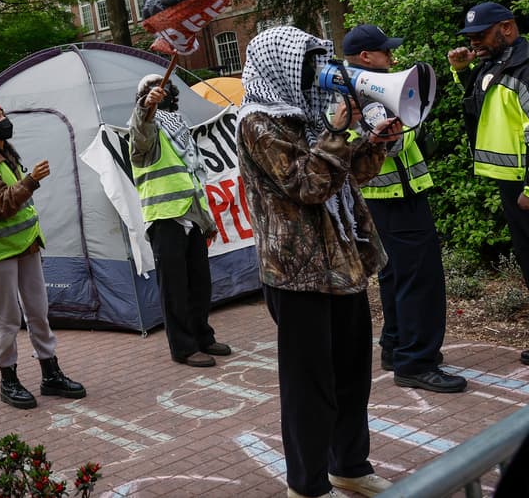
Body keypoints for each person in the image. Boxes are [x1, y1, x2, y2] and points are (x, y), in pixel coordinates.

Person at [236, 26, 399, 498]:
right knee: (310, 390)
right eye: (307, 64)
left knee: (352, 378)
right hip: (297, 275)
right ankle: (307, 486)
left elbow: (352, 178)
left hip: (343, 265)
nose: (317, 73)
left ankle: (349, 465)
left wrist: (376, 141)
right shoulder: (258, 123)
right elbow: (307, 186)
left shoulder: (309, 117)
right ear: (279, 67)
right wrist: (336, 132)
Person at [343, 24, 465, 393]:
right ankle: (416, 362)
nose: (392, 57)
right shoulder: (372, 94)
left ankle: (396, 348)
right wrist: (410, 113)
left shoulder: (351, 91)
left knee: (395, 277)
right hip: (398, 200)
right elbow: (388, 147)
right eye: (385, 52)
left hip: (381, 202)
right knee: (420, 281)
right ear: (366, 57)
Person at [0, 103, 86, 409]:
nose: (5, 122)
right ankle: (9, 380)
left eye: (3, 116)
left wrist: (27, 183)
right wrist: (31, 181)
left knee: (38, 311)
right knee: (6, 318)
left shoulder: (5, 153)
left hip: (26, 244)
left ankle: (50, 372)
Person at [447, 2, 529, 366]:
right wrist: (460, 71)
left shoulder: (525, 69)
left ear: (507, 29)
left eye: (480, 35)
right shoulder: (495, 65)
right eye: (470, 38)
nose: (474, 43)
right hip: (511, 184)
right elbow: (478, 102)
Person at [129, 75, 231, 368]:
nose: (165, 92)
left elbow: (194, 174)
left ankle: (203, 336)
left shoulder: (180, 126)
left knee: (199, 283)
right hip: (166, 217)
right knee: (174, 287)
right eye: (154, 91)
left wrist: (206, 219)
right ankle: (184, 348)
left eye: (167, 88)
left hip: (192, 213)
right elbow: (141, 128)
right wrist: (145, 107)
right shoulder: (145, 133)